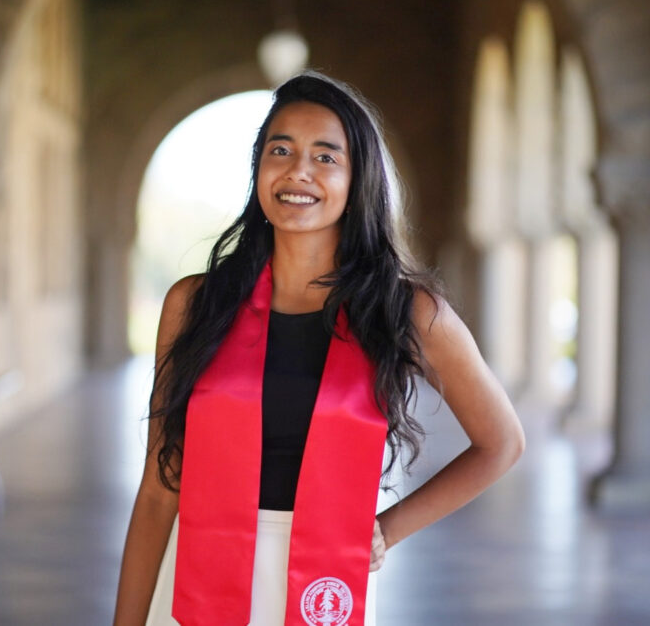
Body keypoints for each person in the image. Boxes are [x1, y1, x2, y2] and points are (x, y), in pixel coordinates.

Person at [113, 72, 524, 626]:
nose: (298, 170)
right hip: (194, 582)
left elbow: (501, 443)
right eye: (280, 150)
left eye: (326, 157)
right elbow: (160, 490)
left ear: (359, 180)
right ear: (259, 167)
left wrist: (385, 529)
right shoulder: (197, 304)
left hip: (325, 588)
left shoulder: (404, 312)